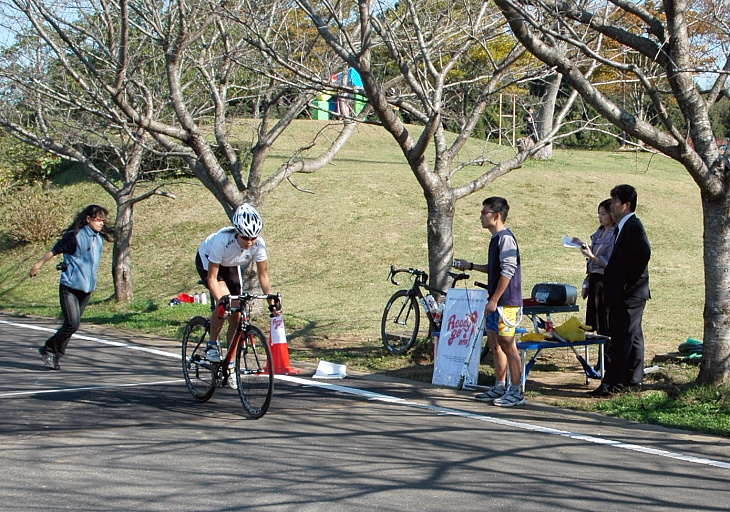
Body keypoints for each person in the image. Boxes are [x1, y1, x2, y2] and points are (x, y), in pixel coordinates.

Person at [196, 203, 281, 386]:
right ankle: (212, 344)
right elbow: (212, 278)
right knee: (225, 303)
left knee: (238, 314)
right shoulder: (221, 240)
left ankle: (231, 364)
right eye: (245, 237)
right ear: (236, 232)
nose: (249, 242)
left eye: (253, 237)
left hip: (231, 264)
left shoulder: (259, 244)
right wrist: (221, 302)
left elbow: (263, 275)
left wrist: (271, 300)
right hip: (209, 262)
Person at [454, 197, 525, 407]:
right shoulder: (495, 239)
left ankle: (517, 390)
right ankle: (500, 385)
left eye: (484, 212)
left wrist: (494, 299)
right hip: (496, 302)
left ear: (496, 215)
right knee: (495, 344)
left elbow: (508, 271)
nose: (481, 216)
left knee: (508, 344)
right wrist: (471, 266)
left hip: (507, 303)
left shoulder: (506, 239)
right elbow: (494, 268)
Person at [30, 205, 112, 370]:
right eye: (98, 220)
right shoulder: (74, 236)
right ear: (88, 219)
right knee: (72, 324)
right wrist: (37, 265)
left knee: (71, 325)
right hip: (70, 287)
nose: (101, 223)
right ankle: (49, 349)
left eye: (103, 220)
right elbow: (54, 251)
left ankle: (53, 354)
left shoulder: (99, 239)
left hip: (86, 289)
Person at [589, 184, 651, 398]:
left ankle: (612, 384)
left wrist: (627, 285)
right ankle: (633, 380)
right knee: (633, 338)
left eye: (615, 202)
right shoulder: (623, 226)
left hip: (631, 294)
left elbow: (643, 254)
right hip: (628, 292)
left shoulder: (632, 225)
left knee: (622, 338)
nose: (612, 206)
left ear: (626, 205)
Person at [571, 198, 617, 336]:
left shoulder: (615, 234)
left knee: (604, 323)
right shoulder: (600, 232)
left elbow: (608, 263)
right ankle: (601, 355)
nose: (600, 217)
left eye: (603, 214)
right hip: (594, 279)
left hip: (604, 282)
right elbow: (596, 252)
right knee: (593, 323)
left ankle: (606, 355)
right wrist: (581, 245)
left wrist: (591, 256)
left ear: (612, 215)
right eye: (599, 214)